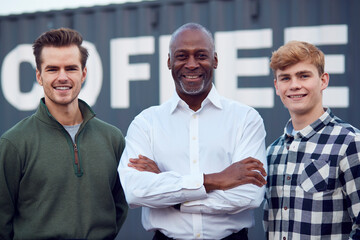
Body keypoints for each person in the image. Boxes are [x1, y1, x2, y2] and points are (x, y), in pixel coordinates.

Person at [118, 22, 267, 240]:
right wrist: (214, 180)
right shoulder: (146, 123)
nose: (191, 64)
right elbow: (135, 191)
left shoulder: (245, 119)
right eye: (181, 56)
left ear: (215, 60)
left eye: (201, 55)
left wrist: (170, 193)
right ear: (169, 62)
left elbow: (249, 196)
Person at [0, 28, 128, 240]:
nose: (62, 77)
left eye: (70, 68)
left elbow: (120, 207)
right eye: (52, 69)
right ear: (39, 77)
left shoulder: (113, 139)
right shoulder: (14, 143)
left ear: (83, 74)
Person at [263, 40, 360, 239]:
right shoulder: (273, 152)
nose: (294, 85)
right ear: (277, 86)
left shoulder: (349, 143)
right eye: (285, 78)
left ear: (323, 81)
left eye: (303, 75)